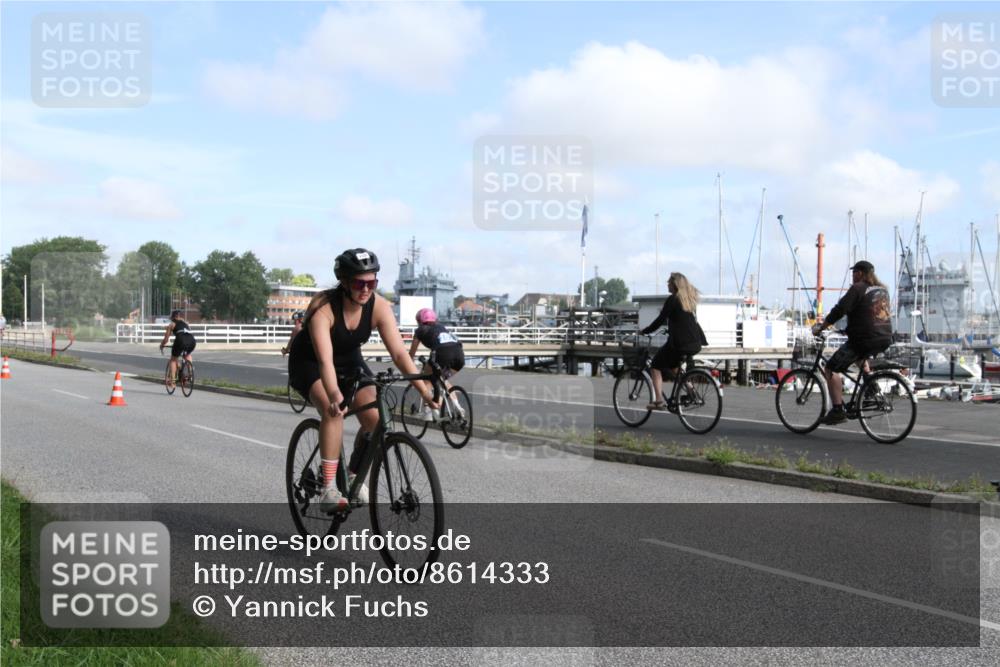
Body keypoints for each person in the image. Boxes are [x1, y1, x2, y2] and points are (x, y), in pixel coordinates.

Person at [287, 248, 438, 513]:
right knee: (333, 412)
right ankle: (329, 488)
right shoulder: (324, 308)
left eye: (372, 283)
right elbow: (324, 362)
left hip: (349, 361)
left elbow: (401, 354)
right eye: (360, 283)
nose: (366, 289)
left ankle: (353, 473)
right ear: (344, 282)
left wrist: (424, 390)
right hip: (310, 362)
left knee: (377, 420)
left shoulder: (378, 306)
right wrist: (334, 395)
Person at [811, 260, 892, 425]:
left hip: (864, 339)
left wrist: (822, 327)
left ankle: (837, 410)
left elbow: (840, 310)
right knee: (859, 357)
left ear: (860, 273)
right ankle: (871, 390)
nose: (852, 276)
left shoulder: (858, 288)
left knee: (830, 368)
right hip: (884, 337)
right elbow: (868, 315)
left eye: (854, 272)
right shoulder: (883, 290)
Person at [639, 272, 708, 410]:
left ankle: (658, 401)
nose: (667, 284)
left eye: (669, 282)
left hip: (681, 344)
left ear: (675, 284)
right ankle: (691, 391)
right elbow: (684, 322)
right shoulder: (688, 300)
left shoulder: (673, 300)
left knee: (655, 365)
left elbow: (660, 319)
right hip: (695, 343)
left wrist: (645, 331)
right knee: (674, 367)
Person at [408, 308, 465, 421]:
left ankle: (428, 412)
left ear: (419, 320)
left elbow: (412, 352)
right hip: (459, 355)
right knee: (443, 379)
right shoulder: (441, 327)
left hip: (442, 354)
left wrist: (409, 364)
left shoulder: (420, 330)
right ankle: (458, 407)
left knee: (426, 381)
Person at [159, 310, 196, 389]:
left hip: (180, 340)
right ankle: (190, 372)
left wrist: (162, 345)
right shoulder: (186, 323)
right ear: (180, 317)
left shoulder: (172, 324)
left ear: (173, 317)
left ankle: (172, 382)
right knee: (187, 354)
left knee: (173, 359)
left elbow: (166, 339)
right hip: (192, 341)